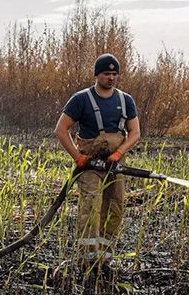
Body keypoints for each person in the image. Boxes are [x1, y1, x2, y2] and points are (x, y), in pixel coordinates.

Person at [54, 53, 141, 272]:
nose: (111, 78)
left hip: (114, 165)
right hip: (90, 167)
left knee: (115, 208)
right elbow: (61, 130)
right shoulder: (81, 99)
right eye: (106, 74)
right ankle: (86, 262)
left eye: (114, 74)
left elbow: (135, 133)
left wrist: (119, 154)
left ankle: (105, 259)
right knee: (90, 209)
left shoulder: (125, 100)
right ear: (96, 75)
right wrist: (78, 157)